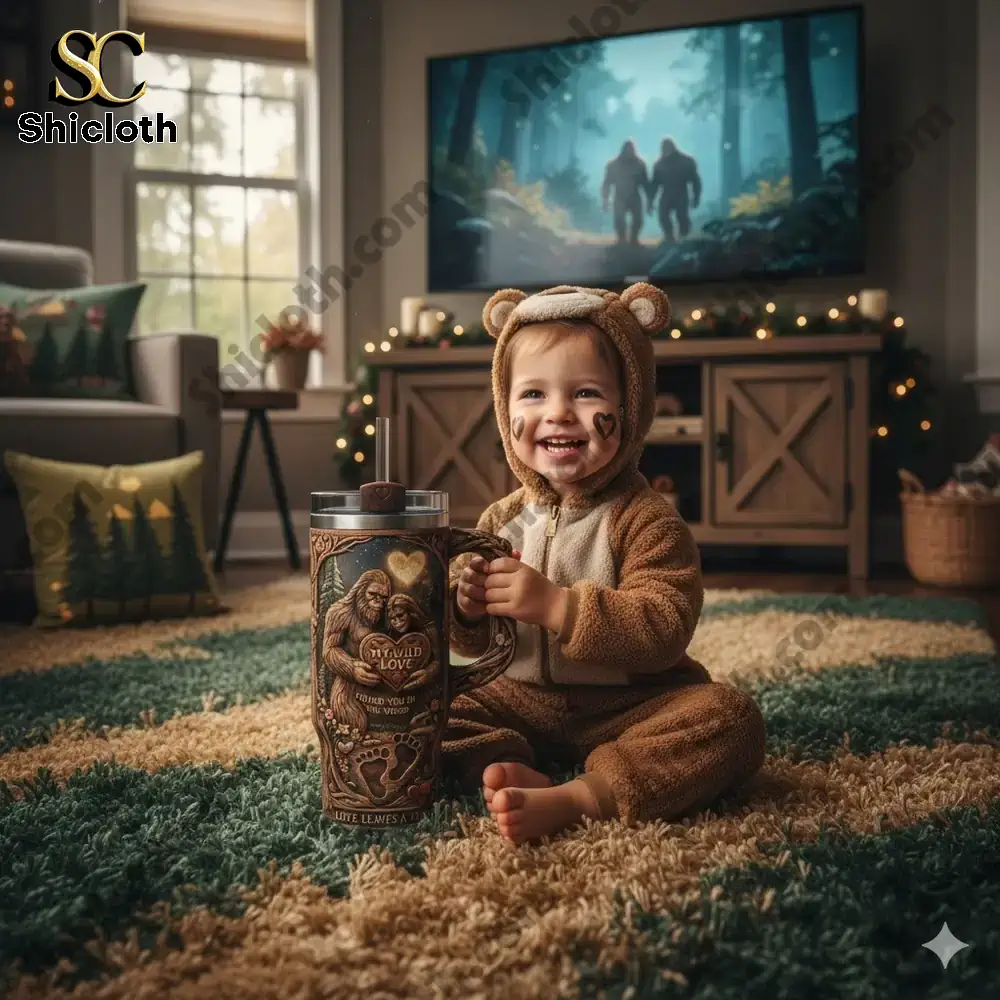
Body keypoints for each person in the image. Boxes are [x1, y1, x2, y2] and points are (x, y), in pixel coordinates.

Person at [444, 282, 766, 845]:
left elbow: (664, 629)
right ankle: (506, 761)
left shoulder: (646, 521)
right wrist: (466, 611)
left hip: (626, 706)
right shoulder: (501, 521)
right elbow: (471, 649)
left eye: (587, 393)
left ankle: (584, 796)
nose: (559, 414)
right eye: (534, 395)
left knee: (731, 720)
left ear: (630, 405)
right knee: (418, 704)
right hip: (515, 702)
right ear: (505, 408)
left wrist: (557, 606)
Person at [647, 137, 702, 242]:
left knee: (682, 217)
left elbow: (695, 181)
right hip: (667, 193)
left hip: (681, 192)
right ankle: (669, 237)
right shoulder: (659, 164)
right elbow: (654, 185)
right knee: (663, 216)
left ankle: (684, 238)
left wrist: (696, 197)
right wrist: (650, 201)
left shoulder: (686, 162)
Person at [600, 140, 648, 245]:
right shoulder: (613, 165)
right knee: (619, 219)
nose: (629, 152)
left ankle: (633, 238)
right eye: (627, 150)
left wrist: (650, 200)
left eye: (631, 150)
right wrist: (605, 200)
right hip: (620, 196)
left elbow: (645, 184)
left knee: (638, 219)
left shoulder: (640, 165)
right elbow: (607, 183)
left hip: (635, 195)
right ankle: (621, 239)